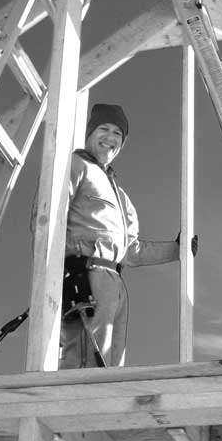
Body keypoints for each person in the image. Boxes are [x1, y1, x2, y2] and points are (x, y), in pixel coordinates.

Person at [55, 103, 196, 369]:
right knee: (85, 360)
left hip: (115, 284)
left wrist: (177, 249)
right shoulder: (74, 166)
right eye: (103, 129)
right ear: (89, 133)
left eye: (117, 133)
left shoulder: (121, 197)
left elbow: (132, 252)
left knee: (111, 367)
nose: (110, 137)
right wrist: (54, 278)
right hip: (85, 275)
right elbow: (46, 219)